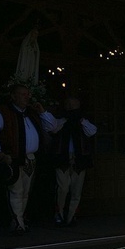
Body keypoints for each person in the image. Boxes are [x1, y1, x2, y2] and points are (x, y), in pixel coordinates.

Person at [0, 84, 56, 234]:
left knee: (25, 191)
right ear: (13, 96)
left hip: (30, 158)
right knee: (16, 190)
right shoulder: (2, 113)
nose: (26, 97)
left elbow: (52, 127)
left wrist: (42, 111)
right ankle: (17, 222)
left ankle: (20, 219)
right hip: (13, 158)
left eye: (27, 94)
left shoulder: (32, 113)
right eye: (22, 94)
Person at [48, 97, 97, 226]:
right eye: (69, 105)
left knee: (77, 190)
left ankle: (72, 215)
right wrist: (65, 119)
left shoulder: (83, 120)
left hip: (79, 158)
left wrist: (80, 119)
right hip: (62, 157)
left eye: (74, 105)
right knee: (62, 188)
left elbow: (92, 131)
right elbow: (53, 128)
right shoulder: (60, 119)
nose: (71, 108)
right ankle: (58, 214)